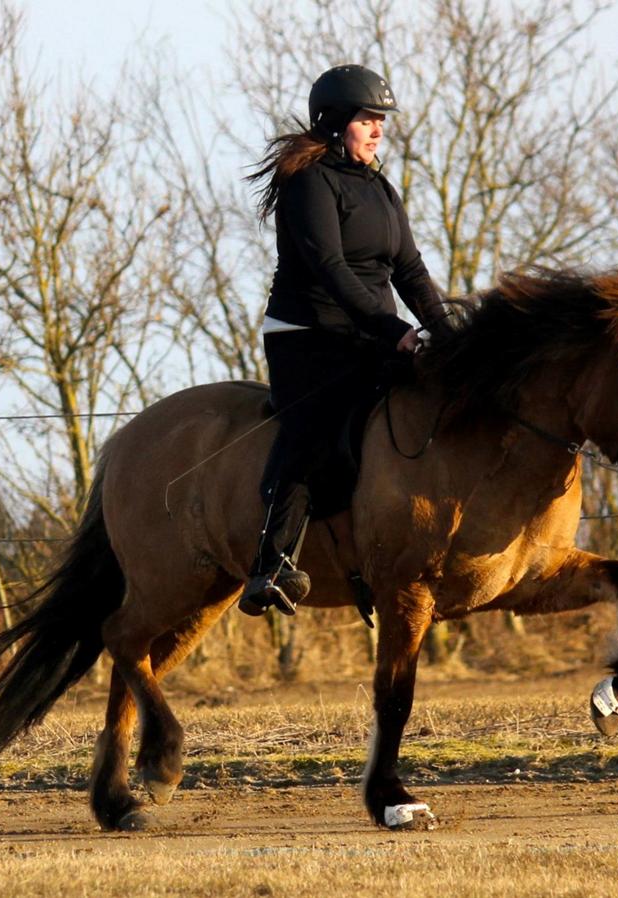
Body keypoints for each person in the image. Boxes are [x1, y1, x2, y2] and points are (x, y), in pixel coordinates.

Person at [239, 64, 448, 617]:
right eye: (366, 119)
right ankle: (270, 563)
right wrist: (394, 329)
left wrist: (448, 333)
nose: (378, 129)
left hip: (371, 336)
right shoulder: (309, 183)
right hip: (308, 336)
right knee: (314, 429)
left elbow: (410, 270)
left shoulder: (378, 186)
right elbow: (331, 268)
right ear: (334, 123)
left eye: (381, 120)